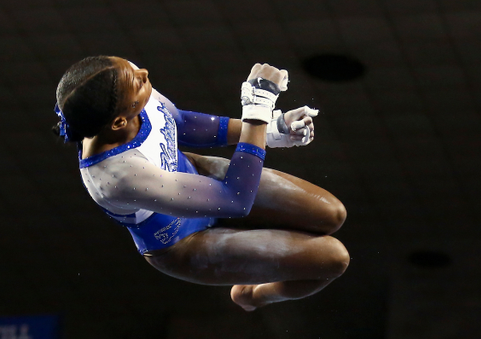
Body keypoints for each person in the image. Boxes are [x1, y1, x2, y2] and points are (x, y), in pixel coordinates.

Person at [53, 56, 349, 311]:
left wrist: (272, 128)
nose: (143, 73)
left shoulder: (125, 92)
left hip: (198, 176)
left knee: (333, 213)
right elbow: (235, 201)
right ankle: (252, 295)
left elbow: (180, 122)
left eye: (133, 69)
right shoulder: (116, 175)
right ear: (118, 122)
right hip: (184, 243)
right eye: (138, 82)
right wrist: (258, 107)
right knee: (334, 259)